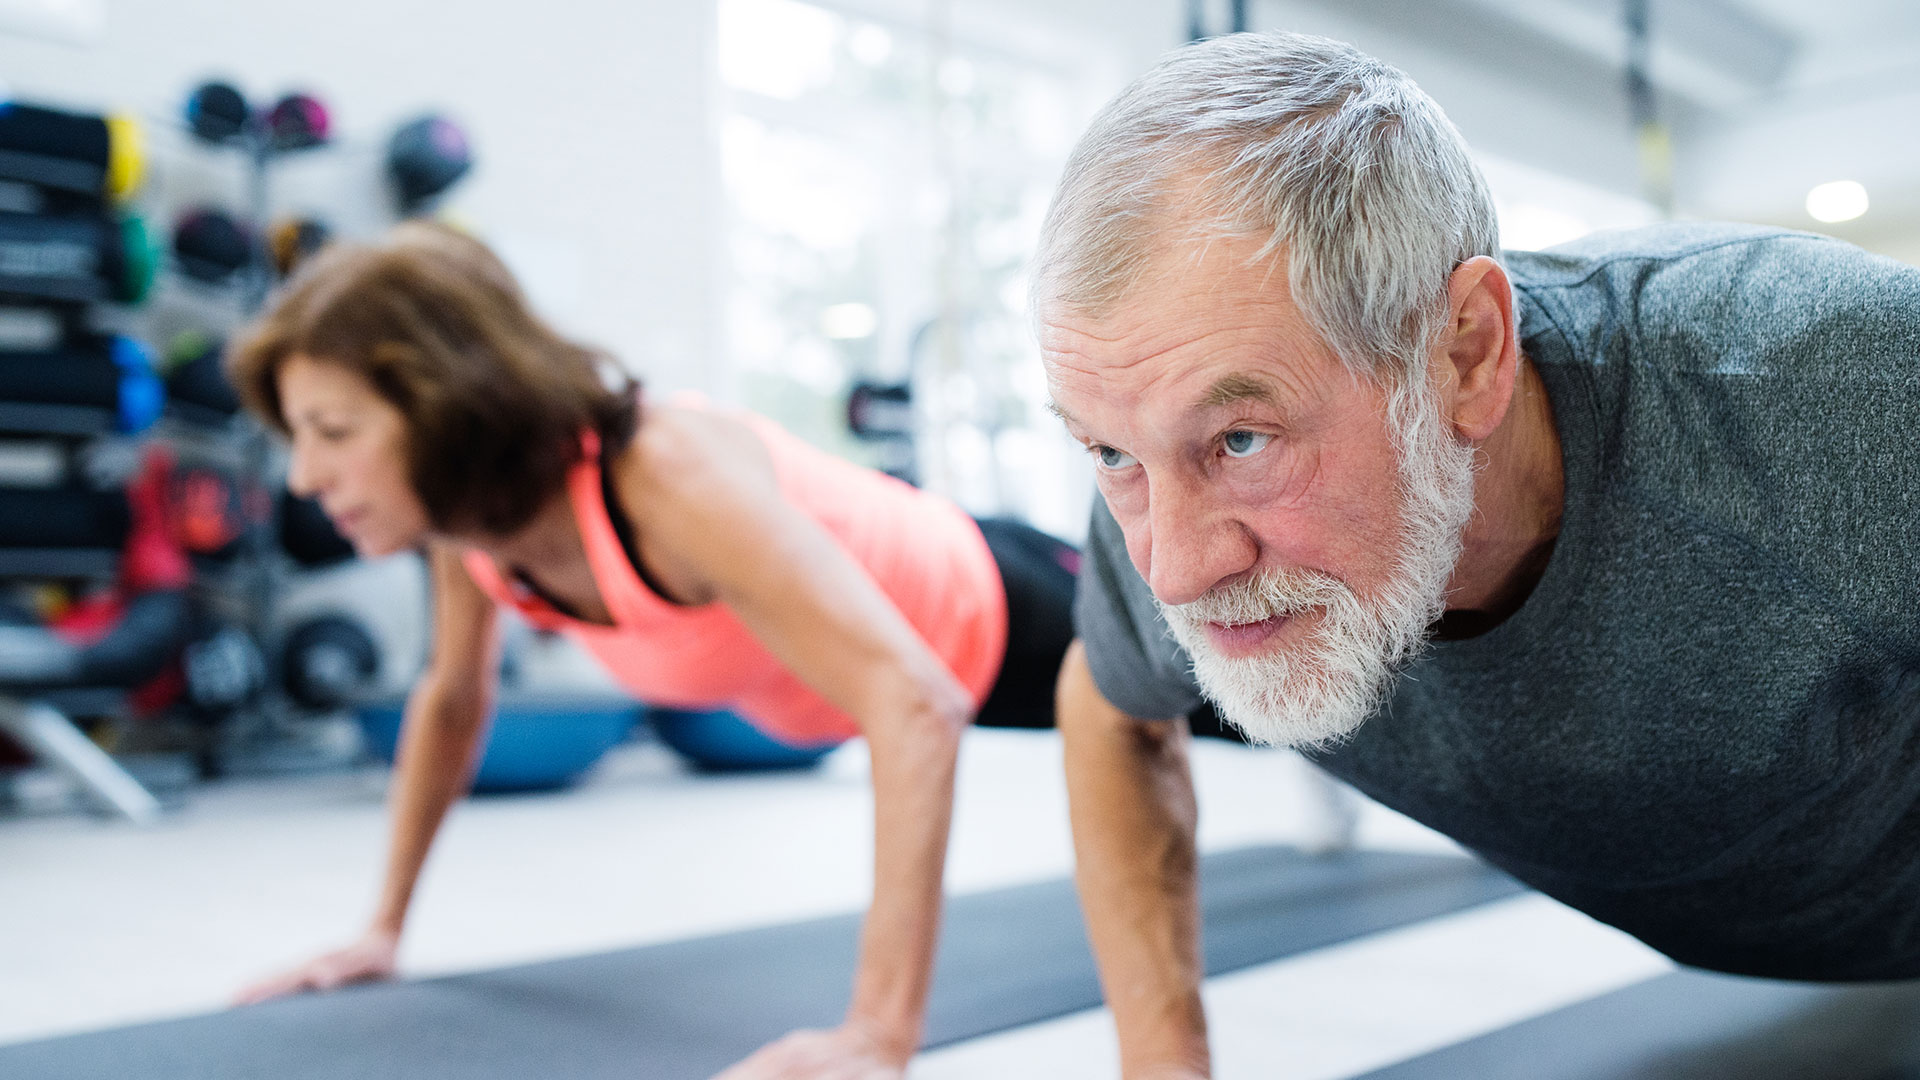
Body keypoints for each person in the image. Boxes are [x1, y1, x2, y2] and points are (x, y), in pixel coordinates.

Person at [1034, 30, 1920, 1079]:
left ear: (1465, 355)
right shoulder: (1165, 487)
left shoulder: (1834, 388)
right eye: (1109, 453)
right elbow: (1109, 710)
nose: (1174, 570)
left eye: (1243, 440)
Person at [222, 222, 1079, 1079]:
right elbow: (452, 699)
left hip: (1006, 605)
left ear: (442, 406)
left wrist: (878, 1036)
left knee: (1204, 715)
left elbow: (916, 700)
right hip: (923, 670)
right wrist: (382, 929)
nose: (302, 477)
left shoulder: (663, 477)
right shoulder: (469, 526)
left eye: (332, 431)